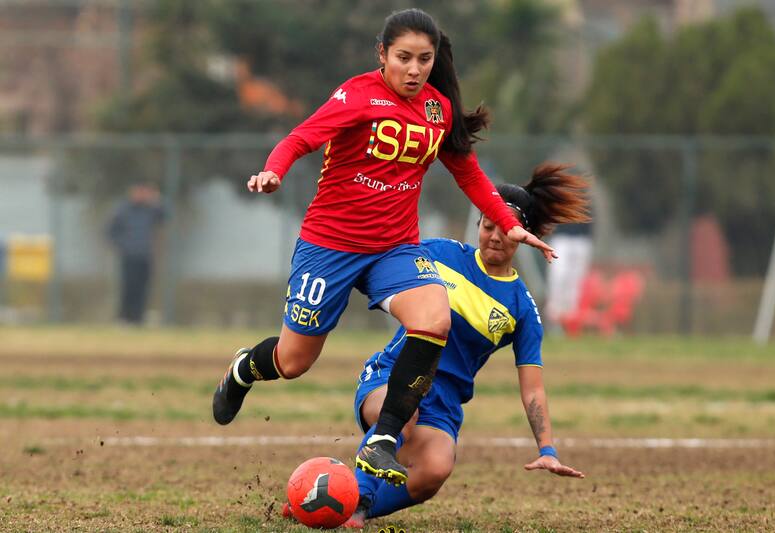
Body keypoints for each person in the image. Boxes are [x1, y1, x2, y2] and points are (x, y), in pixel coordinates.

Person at [211, 7, 555, 485]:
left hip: (394, 248)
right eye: (404, 58)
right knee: (293, 362)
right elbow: (300, 137)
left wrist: (504, 220)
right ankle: (243, 369)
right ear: (382, 54)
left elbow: (469, 174)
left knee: (434, 317)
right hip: (330, 246)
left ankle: (383, 440)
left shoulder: (437, 109)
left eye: (424, 60)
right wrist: (274, 170)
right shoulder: (356, 94)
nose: (414, 70)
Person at [335, 163, 591, 528]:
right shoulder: (439, 254)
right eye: (488, 226)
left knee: (436, 469)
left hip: (445, 403)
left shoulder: (521, 308)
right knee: (404, 415)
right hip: (392, 375)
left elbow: (532, 389)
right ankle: (353, 505)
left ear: (523, 234)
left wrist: (547, 450)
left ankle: (337, 503)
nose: (495, 237)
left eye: (505, 230)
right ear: (478, 224)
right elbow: (384, 263)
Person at [107, 182, 165, 325]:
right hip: (129, 256)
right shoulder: (123, 210)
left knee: (143, 288)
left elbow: (165, 216)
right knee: (128, 287)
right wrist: (123, 246)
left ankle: (138, 319)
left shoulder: (150, 210)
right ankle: (124, 318)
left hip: (145, 255)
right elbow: (110, 231)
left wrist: (156, 201)